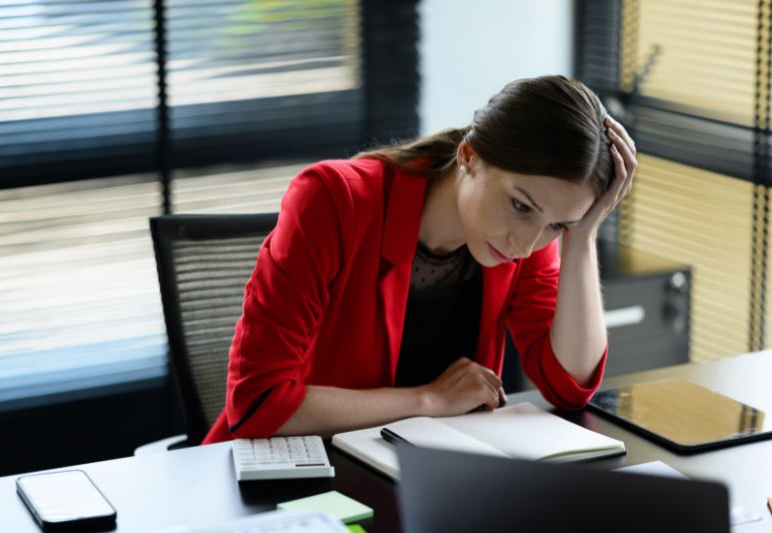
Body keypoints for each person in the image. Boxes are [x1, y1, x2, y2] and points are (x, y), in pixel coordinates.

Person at [203, 75, 637, 443]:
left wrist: (582, 236)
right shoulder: (334, 200)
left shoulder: (531, 237)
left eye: (556, 225)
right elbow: (257, 403)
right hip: (295, 478)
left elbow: (569, 386)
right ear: (469, 156)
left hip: (415, 473)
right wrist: (429, 400)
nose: (526, 245)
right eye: (520, 206)